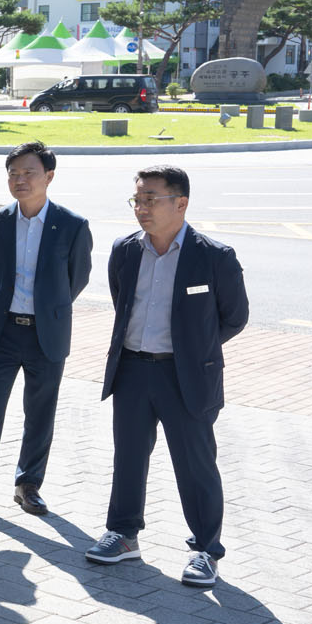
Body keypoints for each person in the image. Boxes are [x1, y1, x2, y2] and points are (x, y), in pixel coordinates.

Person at [87, 165, 250, 588]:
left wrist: (193, 350)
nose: (141, 208)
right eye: (137, 199)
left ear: (181, 203)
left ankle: (206, 550)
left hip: (186, 376)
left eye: (151, 199)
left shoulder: (214, 256)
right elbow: (122, 301)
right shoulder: (126, 250)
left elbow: (234, 318)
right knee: (128, 457)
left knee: (196, 465)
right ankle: (123, 534)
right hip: (132, 369)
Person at [0, 142, 94, 518]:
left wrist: (48, 308)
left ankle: (28, 485)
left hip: (47, 334)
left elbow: (77, 279)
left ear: (49, 176)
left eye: (28, 172)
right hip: (2, 332)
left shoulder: (72, 226)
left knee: (40, 413)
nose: (19, 180)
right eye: (13, 173)